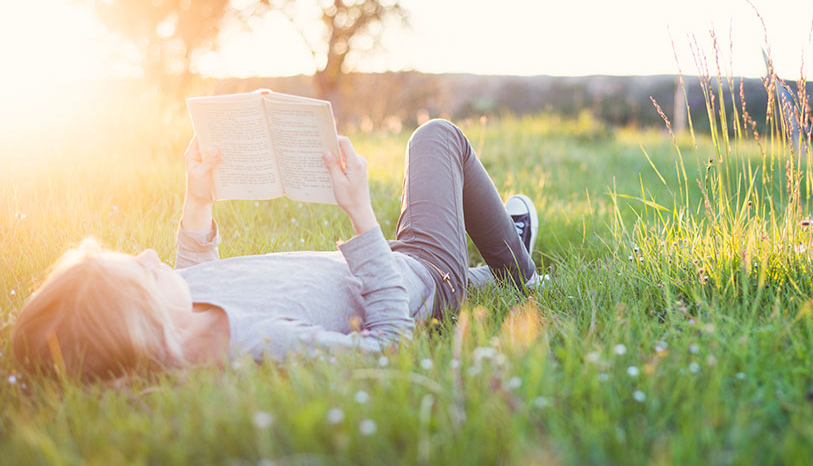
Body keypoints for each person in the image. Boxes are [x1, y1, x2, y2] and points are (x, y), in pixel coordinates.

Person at [10, 119, 542, 381]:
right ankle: (517, 269)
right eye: (145, 276)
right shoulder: (257, 343)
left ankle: (486, 268)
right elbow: (390, 349)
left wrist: (197, 201)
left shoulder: (183, 318)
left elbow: (196, 280)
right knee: (436, 137)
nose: (151, 258)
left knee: (432, 211)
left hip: (373, 264)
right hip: (419, 275)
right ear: (148, 328)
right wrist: (359, 212)